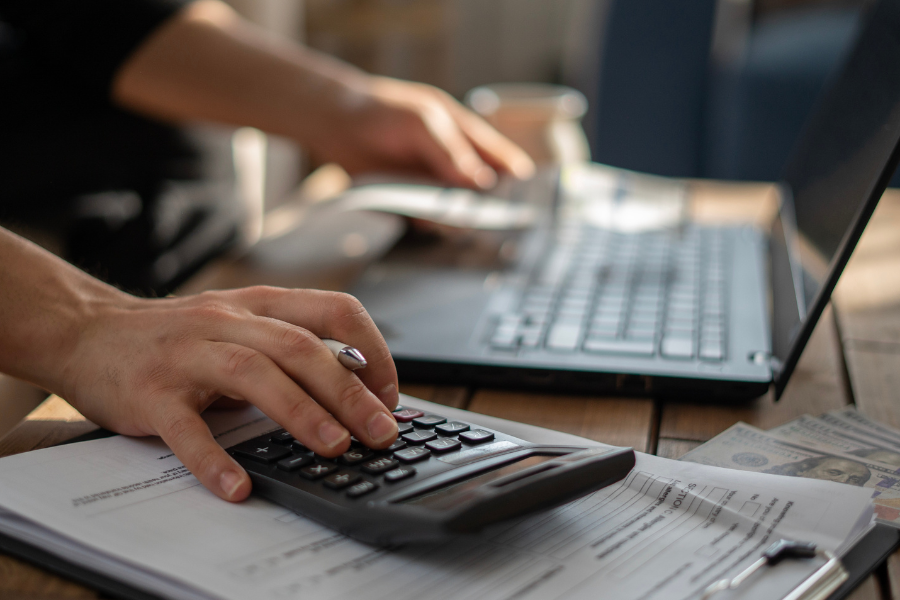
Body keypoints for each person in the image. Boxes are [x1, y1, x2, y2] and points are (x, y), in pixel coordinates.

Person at [0, 0, 534, 502]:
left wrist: (348, 109)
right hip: (67, 287)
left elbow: (93, 17)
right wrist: (83, 326)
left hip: (204, 275)